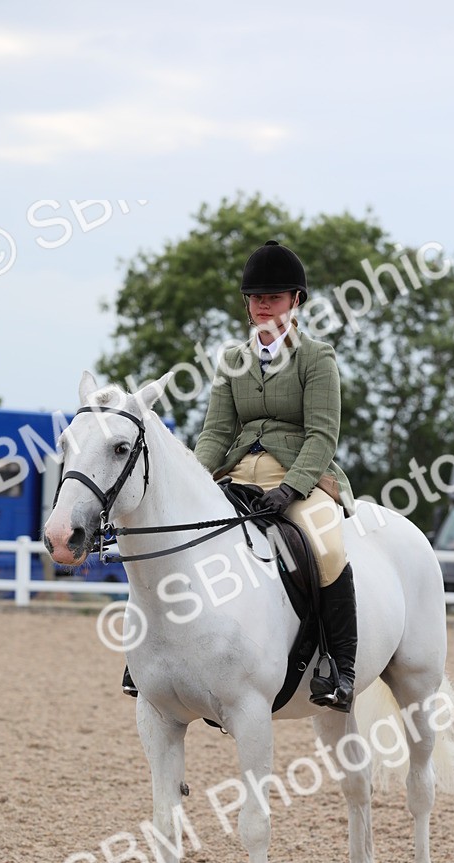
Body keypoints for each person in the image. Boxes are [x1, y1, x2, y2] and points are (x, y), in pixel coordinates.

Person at [123, 239, 357, 712]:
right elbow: (215, 431)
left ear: (295, 300)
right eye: (256, 297)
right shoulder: (232, 359)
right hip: (237, 473)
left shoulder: (318, 357)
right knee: (175, 538)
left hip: (301, 476)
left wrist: (292, 486)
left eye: (273, 296)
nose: (263, 304)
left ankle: (339, 667)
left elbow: (322, 435)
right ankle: (147, 656)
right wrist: (198, 479)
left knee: (327, 547)